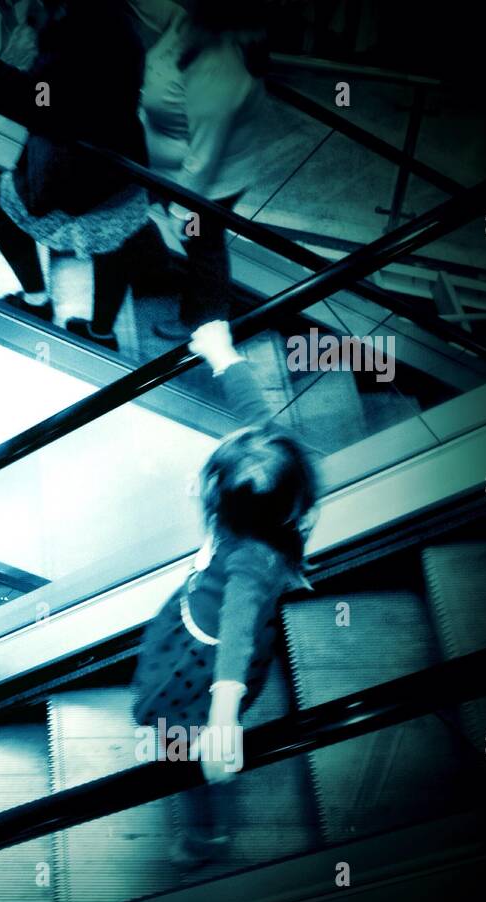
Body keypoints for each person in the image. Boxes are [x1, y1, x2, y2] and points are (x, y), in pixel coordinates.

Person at [130, 320, 318, 868]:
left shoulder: (249, 563)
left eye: (209, 481)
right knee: (175, 739)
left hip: (199, 662)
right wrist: (222, 355)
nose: (201, 483)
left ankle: (204, 835)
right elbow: (256, 415)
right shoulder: (278, 476)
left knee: (178, 748)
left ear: (229, 510)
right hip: (199, 628)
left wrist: (221, 718)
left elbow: (235, 633)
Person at [0, 1, 160, 351]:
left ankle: (37, 300)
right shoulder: (123, 29)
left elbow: (38, 101)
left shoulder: (72, 38)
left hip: (68, 177)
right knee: (116, 246)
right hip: (120, 167)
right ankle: (101, 332)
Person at [139, 0, 272, 339]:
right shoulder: (184, 21)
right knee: (134, 212)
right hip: (164, 169)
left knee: (203, 247)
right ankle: (153, 271)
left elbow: (203, 157)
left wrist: (182, 212)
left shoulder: (220, 66)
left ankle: (202, 322)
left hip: (206, 185)